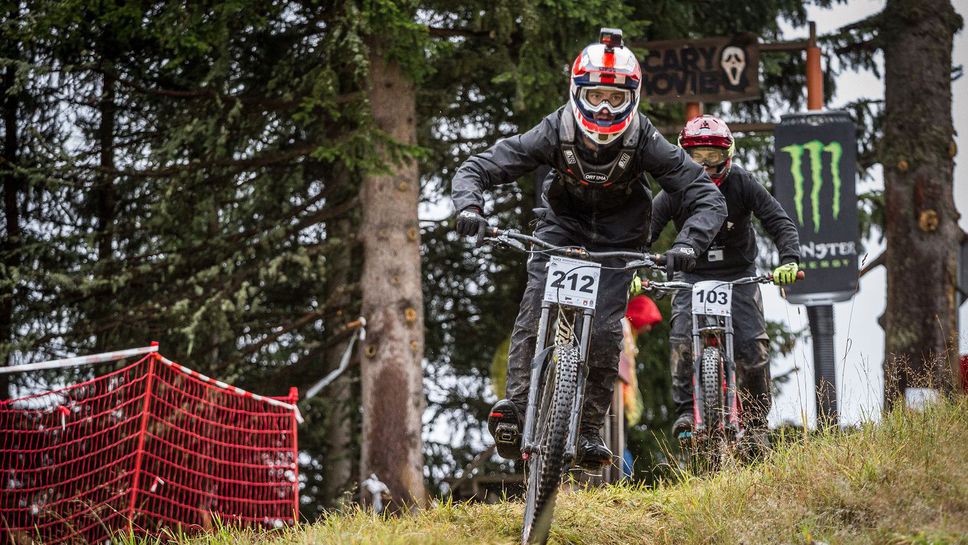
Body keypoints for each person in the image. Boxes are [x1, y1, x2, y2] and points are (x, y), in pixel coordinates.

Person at [451, 28, 727, 468]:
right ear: (576, 92)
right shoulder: (554, 129)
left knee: (604, 330)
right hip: (561, 228)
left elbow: (706, 195)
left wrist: (689, 243)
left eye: (615, 100)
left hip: (620, 238)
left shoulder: (644, 139)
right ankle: (516, 408)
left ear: (632, 99)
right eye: (595, 96)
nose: (604, 108)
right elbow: (481, 166)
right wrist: (470, 207)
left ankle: (588, 429)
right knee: (534, 303)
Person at [649, 114, 800, 453]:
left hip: (738, 275)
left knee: (753, 347)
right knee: (681, 338)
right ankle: (687, 412)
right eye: (695, 158)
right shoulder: (674, 190)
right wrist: (632, 267)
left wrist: (789, 259)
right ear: (682, 157)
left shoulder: (743, 183)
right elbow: (646, 228)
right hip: (691, 275)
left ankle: (757, 425)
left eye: (713, 157)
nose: (704, 167)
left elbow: (778, 221)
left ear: (728, 155)